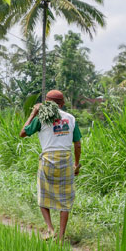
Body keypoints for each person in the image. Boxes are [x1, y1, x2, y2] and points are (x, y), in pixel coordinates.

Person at [19, 89, 82, 241]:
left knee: (43, 195)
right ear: (62, 103)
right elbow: (77, 144)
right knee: (65, 200)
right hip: (66, 160)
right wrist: (77, 164)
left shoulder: (41, 117)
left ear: (46, 102)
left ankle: (50, 229)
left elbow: (22, 133)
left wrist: (33, 113)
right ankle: (61, 237)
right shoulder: (71, 118)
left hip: (47, 160)